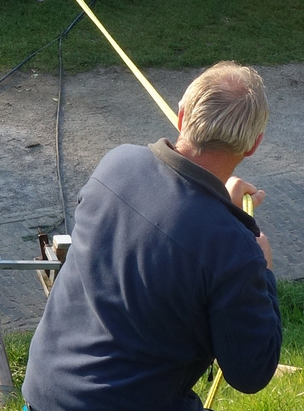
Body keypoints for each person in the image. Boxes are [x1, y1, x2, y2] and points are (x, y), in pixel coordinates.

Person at [22, 61, 281, 411]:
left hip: (46, 393)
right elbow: (251, 372)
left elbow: (168, 223)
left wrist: (220, 204)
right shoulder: (234, 249)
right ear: (253, 145)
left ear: (181, 115)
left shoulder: (116, 165)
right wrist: (263, 271)